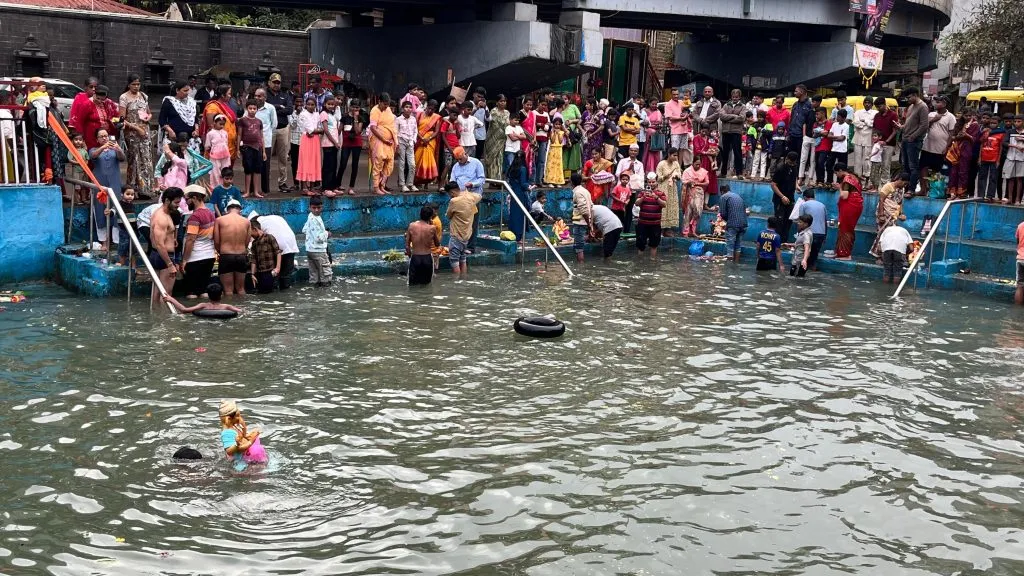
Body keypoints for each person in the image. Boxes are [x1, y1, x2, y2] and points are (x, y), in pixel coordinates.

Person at [89, 128, 125, 249]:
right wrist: (103, 147)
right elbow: (93, 156)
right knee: (100, 211)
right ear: (97, 139)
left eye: (106, 135)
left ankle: (115, 241)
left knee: (116, 210)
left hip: (114, 183)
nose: (105, 138)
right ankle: (104, 241)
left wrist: (118, 149)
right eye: (102, 136)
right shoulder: (94, 150)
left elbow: (122, 158)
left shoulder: (114, 150)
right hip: (100, 184)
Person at [118, 74, 153, 195]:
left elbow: (149, 113)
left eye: (138, 84)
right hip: (132, 132)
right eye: (134, 84)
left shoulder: (143, 96)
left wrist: (148, 118)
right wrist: (136, 128)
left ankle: (145, 189)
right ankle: (132, 189)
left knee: (146, 159)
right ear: (129, 85)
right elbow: (121, 119)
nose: (136, 86)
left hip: (144, 130)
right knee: (135, 159)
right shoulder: (124, 97)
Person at [149, 187, 183, 309]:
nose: (178, 206)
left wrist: (172, 239)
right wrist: (169, 264)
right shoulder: (161, 217)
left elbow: (153, 236)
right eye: (176, 202)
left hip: (157, 255)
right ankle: (166, 324)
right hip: (164, 257)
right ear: (167, 201)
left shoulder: (160, 213)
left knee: (157, 293)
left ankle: (156, 320)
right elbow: (159, 243)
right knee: (166, 295)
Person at [248, 211, 299, 290]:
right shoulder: (275, 217)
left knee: (274, 277)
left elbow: (252, 245)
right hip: (291, 244)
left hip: (278, 245)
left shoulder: (258, 223)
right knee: (286, 276)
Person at [181, 185, 216, 299]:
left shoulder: (195, 217)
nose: (186, 202)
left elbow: (191, 239)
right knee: (203, 291)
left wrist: (185, 260)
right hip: (209, 256)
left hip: (195, 258)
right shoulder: (210, 213)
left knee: (192, 293)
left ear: (194, 198)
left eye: (187, 199)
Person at [919, 96, 957, 195]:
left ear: (944, 104)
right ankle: (923, 189)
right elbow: (924, 127)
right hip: (927, 146)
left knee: (936, 170)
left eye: (939, 102)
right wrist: (933, 120)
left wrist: (947, 147)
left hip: (940, 148)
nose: (936, 104)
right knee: (923, 167)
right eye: (936, 102)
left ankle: (934, 191)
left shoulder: (950, 117)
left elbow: (951, 133)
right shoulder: (931, 114)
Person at [214, 198, 251, 295]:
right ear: (240, 210)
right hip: (241, 256)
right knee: (241, 289)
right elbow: (247, 242)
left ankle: (229, 309)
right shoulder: (246, 222)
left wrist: (221, 251)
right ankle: (243, 309)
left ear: (227, 209)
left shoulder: (219, 220)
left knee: (228, 290)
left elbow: (216, 241)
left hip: (226, 255)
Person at [265, 73, 294, 193]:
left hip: (283, 128)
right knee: (266, 157)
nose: (276, 84)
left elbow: (289, 110)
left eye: (278, 82)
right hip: (269, 129)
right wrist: (279, 107)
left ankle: (282, 183)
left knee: (283, 157)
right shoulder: (265, 94)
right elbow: (265, 109)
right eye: (274, 82)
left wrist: (275, 109)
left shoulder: (285, 95)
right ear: (269, 82)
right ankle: (265, 183)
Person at [869, 173, 908, 259]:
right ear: (900, 179)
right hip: (884, 213)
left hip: (893, 215)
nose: (904, 185)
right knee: (882, 234)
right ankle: (878, 256)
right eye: (904, 183)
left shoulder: (901, 189)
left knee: (890, 235)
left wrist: (901, 214)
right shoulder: (888, 186)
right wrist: (881, 215)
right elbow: (881, 200)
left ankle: (886, 257)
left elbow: (899, 203)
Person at [445, 181, 481, 275]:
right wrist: (467, 193)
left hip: (456, 235)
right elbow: (479, 196)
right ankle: (464, 279)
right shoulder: (471, 197)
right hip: (467, 236)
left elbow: (448, 215)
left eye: (449, 194)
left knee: (454, 261)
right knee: (463, 258)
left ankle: (457, 282)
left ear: (452, 192)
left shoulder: (454, 201)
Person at [218, 400, 264, 471]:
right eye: (238, 416)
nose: (240, 418)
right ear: (229, 419)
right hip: (240, 461)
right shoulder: (227, 433)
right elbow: (229, 451)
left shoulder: (234, 426)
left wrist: (248, 433)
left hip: (245, 456)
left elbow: (243, 436)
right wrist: (240, 444)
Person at [900, 87, 930, 194]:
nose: (907, 99)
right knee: (905, 165)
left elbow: (924, 125)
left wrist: (913, 136)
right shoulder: (911, 106)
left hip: (914, 141)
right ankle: (906, 187)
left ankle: (912, 189)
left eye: (908, 97)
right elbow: (910, 123)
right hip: (905, 138)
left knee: (913, 166)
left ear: (915, 95)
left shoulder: (923, 107)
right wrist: (902, 126)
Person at [946, 110, 981, 199]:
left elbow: (975, 139)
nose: (968, 117)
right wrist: (957, 137)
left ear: (972, 115)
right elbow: (953, 136)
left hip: (966, 149)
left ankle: (962, 193)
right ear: (963, 115)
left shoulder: (975, 125)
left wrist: (966, 135)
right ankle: (953, 193)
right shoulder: (959, 123)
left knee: (963, 171)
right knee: (954, 172)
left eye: (970, 115)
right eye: (966, 115)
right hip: (956, 149)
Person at [200, 84, 238, 165]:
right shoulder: (212, 107)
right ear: (222, 95)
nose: (230, 96)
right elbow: (211, 127)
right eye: (229, 93)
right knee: (218, 173)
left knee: (227, 174)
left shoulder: (226, 105)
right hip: (218, 148)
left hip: (230, 146)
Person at [833, 164, 864, 261]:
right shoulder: (853, 177)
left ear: (841, 170)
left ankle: (845, 254)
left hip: (850, 205)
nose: (837, 175)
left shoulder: (846, 179)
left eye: (836, 173)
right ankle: (840, 252)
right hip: (856, 205)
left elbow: (844, 195)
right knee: (847, 227)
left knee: (845, 227)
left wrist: (839, 188)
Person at [237, 99, 266, 198]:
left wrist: (264, 151)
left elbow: (261, 137)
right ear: (247, 108)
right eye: (250, 108)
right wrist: (237, 149)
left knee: (257, 170)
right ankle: (247, 191)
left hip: (258, 147)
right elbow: (239, 135)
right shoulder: (242, 120)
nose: (252, 110)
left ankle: (256, 191)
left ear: (257, 110)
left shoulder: (259, 121)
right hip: (247, 147)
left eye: (254, 108)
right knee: (248, 169)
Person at [369, 94, 398, 195]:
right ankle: (376, 187)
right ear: (379, 102)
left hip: (389, 142)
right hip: (378, 141)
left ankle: (382, 185)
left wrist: (394, 140)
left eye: (387, 104)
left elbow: (392, 125)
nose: (386, 106)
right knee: (378, 163)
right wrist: (383, 139)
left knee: (389, 163)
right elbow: (373, 128)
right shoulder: (374, 111)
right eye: (384, 104)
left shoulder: (388, 110)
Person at [253, 89, 278, 197]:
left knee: (265, 166)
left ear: (265, 97)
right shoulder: (251, 107)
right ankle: (252, 189)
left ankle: (265, 190)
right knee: (252, 165)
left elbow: (274, 124)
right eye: (256, 96)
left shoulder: (270, 108)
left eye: (260, 96)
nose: (257, 98)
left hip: (266, 141)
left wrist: (266, 134)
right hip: (252, 142)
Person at [406, 205, 439, 285]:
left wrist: (410, 256)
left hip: (415, 258)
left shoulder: (411, 226)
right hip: (427, 258)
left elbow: (407, 246)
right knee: (426, 285)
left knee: (412, 285)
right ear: (431, 217)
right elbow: (437, 244)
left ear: (420, 214)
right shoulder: (432, 228)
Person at [337, 99, 365, 195]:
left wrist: (356, 119)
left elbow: (358, 131)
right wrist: (336, 141)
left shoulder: (360, 118)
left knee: (355, 165)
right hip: (346, 143)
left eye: (357, 107)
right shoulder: (344, 117)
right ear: (350, 107)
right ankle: (337, 184)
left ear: (359, 108)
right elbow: (339, 130)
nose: (355, 109)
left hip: (357, 143)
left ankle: (351, 187)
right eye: (353, 107)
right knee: (343, 163)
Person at [635, 172, 666, 258]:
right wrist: (643, 197)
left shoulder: (660, 193)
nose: (651, 184)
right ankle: (640, 262)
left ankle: (652, 263)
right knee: (640, 244)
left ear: (656, 182)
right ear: (647, 182)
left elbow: (664, 204)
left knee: (654, 245)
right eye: (649, 182)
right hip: (642, 224)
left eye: (653, 182)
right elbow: (636, 203)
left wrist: (656, 197)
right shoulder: (642, 193)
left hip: (655, 224)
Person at [295, 97, 322, 196]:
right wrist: (321, 131)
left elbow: (318, 127)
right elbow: (310, 129)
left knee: (314, 162)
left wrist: (317, 130)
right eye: (308, 104)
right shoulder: (303, 114)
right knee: (305, 162)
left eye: (312, 104)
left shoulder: (316, 114)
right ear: (305, 105)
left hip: (315, 140)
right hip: (306, 140)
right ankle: (304, 187)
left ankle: (312, 186)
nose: (310, 106)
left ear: (315, 105)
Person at [303, 196, 332, 287]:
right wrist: (327, 233)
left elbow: (304, 230)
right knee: (325, 276)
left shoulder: (310, 216)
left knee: (314, 275)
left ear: (321, 207)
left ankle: (314, 292)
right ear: (310, 207)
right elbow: (318, 238)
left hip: (310, 250)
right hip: (318, 251)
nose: (316, 210)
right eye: (314, 208)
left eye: (318, 208)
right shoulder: (315, 219)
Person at [796, 188, 828, 269]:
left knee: (804, 254)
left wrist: (799, 234)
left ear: (805, 197)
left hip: (808, 233)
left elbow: (801, 222)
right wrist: (824, 236)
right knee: (814, 256)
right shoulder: (822, 205)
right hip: (821, 234)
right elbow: (825, 222)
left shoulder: (804, 205)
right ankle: (812, 268)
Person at [249, 217, 282, 294]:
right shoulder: (254, 243)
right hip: (260, 273)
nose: (249, 234)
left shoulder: (269, 237)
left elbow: (278, 252)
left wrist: (277, 268)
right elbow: (253, 259)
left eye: (249, 231)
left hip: (270, 271)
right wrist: (252, 274)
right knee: (262, 293)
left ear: (254, 229)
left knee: (271, 293)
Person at [163, 283, 242, 315]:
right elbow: (242, 312)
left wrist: (171, 299)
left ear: (208, 295)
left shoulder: (203, 305)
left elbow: (184, 310)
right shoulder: (226, 307)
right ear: (221, 294)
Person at [872, 97, 899, 186]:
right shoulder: (876, 115)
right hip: (878, 145)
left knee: (886, 165)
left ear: (884, 104)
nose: (878, 109)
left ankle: (885, 184)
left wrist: (886, 141)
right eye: (876, 107)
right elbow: (874, 129)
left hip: (889, 144)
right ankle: (876, 185)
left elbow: (895, 131)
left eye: (879, 106)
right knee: (876, 165)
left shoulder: (893, 115)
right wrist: (875, 139)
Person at [719, 89, 746, 178]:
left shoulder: (743, 106)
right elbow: (722, 116)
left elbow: (742, 118)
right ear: (731, 97)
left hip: (736, 132)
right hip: (726, 131)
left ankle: (739, 173)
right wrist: (734, 116)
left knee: (737, 152)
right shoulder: (726, 105)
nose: (735, 98)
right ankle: (723, 172)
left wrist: (728, 118)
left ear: (739, 97)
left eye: (737, 97)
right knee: (725, 153)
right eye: (733, 97)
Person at [317, 96, 341, 197]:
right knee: (328, 166)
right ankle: (325, 188)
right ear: (324, 104)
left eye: (332, 104)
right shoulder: (323, 114)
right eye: (329, 104)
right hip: (328, 144)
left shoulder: (332, 114)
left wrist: (337, 142)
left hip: (334, 143)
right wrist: (335, 142)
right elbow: (326, 130)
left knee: (334, 165)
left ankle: (332, 187)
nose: (331, 106)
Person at [506, 151, 533, 240]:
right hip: (520, 194)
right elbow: (523, 184)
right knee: (520, 215)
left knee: (513, 214)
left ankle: (512, 234)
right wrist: (529, 187)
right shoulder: (522, 169)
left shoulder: (511, 168)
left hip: (513, 193)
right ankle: (518, 236)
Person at [680, 159, 710, 238]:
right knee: (688, 212)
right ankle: (686, 232)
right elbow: (683, 181)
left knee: (698, 210)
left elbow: (707, 182)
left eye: (699, 164)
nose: (698, 166)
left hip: (699, 193)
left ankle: (692, 230)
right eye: (696, 164)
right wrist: (689, 182)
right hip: (688, 192)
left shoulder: (703, 171)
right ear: (692, 163)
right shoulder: (687, 171)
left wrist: (699, 183)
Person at [656, 148, 683, 236]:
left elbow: (679, 175)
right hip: (663, 188)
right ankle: (659, 229)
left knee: (671, 206)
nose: (675, 157)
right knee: (663, 206)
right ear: (669, 154)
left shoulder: (676, 164)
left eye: (676, 155)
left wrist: (677, 177)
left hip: (672, 188)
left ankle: (668, 229)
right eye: (674, 155)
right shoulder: (661, 164)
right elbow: (658, 178)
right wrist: (665, 176)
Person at [718, 184, 747, 263]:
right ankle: (736, 264)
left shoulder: (724, 197)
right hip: (743, 224)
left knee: (730, 247)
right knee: (738, 246)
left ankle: (729, 267)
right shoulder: (738, 196)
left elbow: (723, 213)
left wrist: (728, 222)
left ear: (722, 191)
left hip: (733, 224)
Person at [484, 95, 510, 180]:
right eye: (501, 101)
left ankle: (498, 180)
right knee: (492, 160)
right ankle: (492, 181)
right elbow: (497, 125)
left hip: (502, 140)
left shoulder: (507, 113)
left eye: (504, 101)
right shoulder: (494, 111)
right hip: (492, 139)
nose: (503, 103)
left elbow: (507, 125)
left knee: (499, 160)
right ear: (497, 102)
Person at [395, 100, 418, 192]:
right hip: (401, 141)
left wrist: (413, 140)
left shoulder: (413, 119)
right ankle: (402, 184)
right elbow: (396, 132)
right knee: (402, 163)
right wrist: (397, 145)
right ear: (402, 109)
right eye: (406, 107)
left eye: (410, 107)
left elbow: (415, 131)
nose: (408, 109)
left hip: (410, 142)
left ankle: (410, 183)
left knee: (412, 164)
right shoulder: (398, 119)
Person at [852, 98, 876, 182]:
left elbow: (873, 124)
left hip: (868, 139)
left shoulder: (875, 113)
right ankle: (857, 178)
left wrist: (865, 120)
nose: (867, 104)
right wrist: (866, 124)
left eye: (869, 103)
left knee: (867, 159)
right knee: (857, 159)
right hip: (858, 138)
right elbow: (856, 123)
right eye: (865, 102)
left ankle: (867, 178)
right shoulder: (858, 112)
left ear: (872, 104)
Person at [826, 108, 850, 185]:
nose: (837, 118)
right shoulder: (834, 124)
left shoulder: (846, 126)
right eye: (837, 116)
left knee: (841, 168)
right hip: (834, 149)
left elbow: (842, 138)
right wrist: (836, 137)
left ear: (844, 118)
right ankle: (829, 181)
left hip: (842, 150)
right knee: (829, 165)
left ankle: (840, 182)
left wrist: (834, 137)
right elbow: (829, 136)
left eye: (839, 117)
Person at [1005, 115, 1024, 206]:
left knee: (1019, 179)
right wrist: (1015, 146)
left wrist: (1022, 139)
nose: (1016, 123)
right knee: (1010, 178)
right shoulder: (1010, 131)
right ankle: (1010, 198)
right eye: (1015, 121)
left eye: (1019, 121)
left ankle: (1017, 199)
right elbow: (1004, 143)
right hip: (1011, 157)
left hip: (1021, 158)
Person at [544, 117, 566, 186]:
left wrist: (558, 133)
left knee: (558, 165)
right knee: (551, 165)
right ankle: (550, 181)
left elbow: (560, 141)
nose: (557, 126)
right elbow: (552, 141)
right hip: (552, 149)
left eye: (559, 124)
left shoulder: (562, 132)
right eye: (556, 124)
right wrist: (554, 133)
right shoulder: (551, 131)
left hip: (559, 149)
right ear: (553, 125)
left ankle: (557, 181)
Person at [1016, 218, 1024, 305]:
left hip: (1021, 258)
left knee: (1020, 286)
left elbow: (1018, 242)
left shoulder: (1020, 225)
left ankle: (1017, 309)